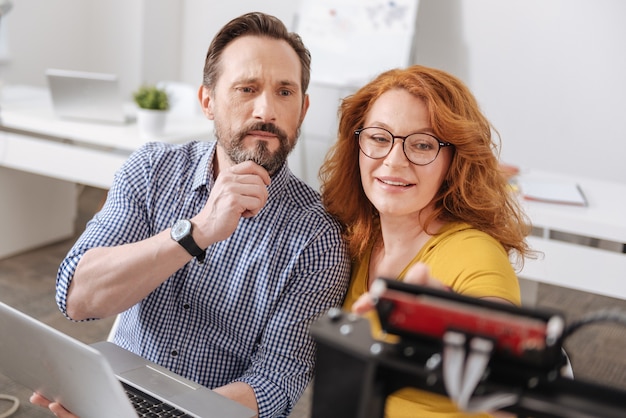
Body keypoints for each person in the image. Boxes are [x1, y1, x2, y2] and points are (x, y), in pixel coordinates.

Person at [31, 12, 350, 418]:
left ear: (303, 110)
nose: (266, 110)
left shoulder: (318, 238)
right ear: (208, 102)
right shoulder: (151, 170)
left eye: (284, 92)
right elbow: (76, 298)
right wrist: (195, 233)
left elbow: (275, 384)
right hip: (110, 397)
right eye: (247, 88)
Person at [319, 64, 532, 417]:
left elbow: (508, 375)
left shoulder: (475, 254)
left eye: (421, 145)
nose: (394, 160)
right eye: (378, 137)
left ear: (453, 161)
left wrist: (457, 327)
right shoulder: (357, 237)